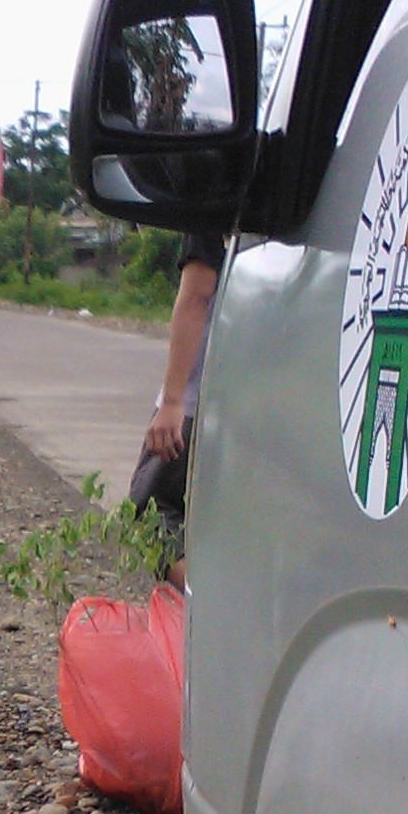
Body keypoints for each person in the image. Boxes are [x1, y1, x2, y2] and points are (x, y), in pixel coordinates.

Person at [131, 229, 228, 589]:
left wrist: (172, 401)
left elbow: (197, 294)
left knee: (151, 517)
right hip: (257, 401)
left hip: (196, 402)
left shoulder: (216, 193)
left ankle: (212, 608)